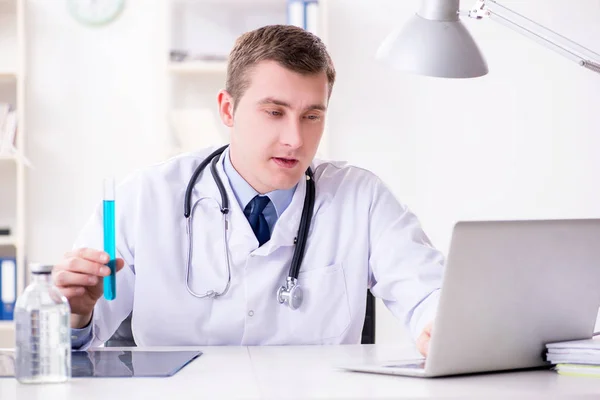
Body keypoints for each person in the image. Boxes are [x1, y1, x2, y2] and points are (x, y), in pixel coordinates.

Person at [53, 24, 444, 356]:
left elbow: (430, 293)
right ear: (227, 110)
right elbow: (73, 344)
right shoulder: (145, 197)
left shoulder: (362, 197)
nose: (294, 139)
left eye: (311, 116)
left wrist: (439, 325)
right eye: (274, 112)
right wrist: (76, 313)